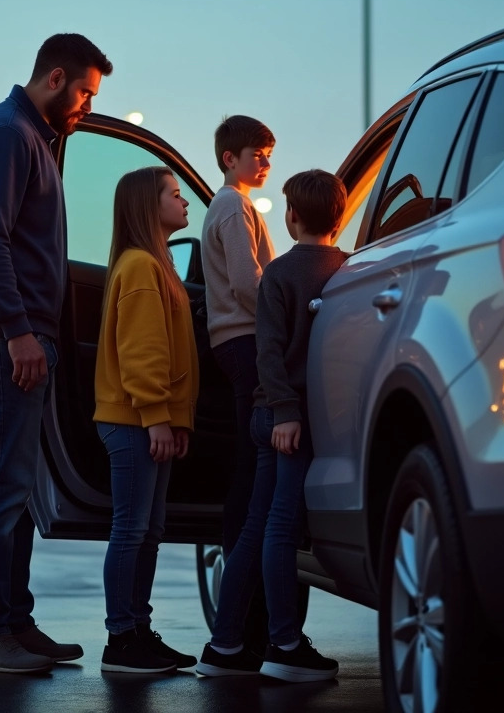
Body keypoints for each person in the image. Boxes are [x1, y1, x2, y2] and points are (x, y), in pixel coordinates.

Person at [0, 33, 112, 674]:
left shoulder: (32, 138)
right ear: (54, 77)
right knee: (0, 486)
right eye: (84, 93)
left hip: (15, 334)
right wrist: (17, 330)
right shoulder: (9, 136)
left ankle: (13, 621)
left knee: (16, 489)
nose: (87, 108)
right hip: (0, 337)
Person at [196, 169, 348, 682]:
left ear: (290, 217)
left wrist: (277, 410)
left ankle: (223, 646)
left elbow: (267, 352)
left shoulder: (280, 273)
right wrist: (289, 413)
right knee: (281, 526)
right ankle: (283, 643)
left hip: (268, 415)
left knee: (257, 528)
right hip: (294, 421)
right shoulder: (348, 272)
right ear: (340, 217)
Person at [93, 167, 200, 673]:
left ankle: (138, 628)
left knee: (149, 529)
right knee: (132, 529)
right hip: (133, 420)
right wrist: (157, 416)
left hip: (148, 420)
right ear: (147, 206)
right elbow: (142, 351)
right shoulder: (139, 266)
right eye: (175, 196)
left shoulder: (158, 266)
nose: (185, 205)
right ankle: (121, 640)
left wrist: (175, 420)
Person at [200, 114, 276, 651]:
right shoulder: (231, 204)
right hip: (244, 340)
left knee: (248, 474)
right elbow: (249, 282)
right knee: (251, 476)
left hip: (238, 340)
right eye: (257, 154)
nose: (266, 163)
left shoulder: (236, 204)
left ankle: (246, 613)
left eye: (269, 154)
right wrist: (290, 314)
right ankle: (244, 616)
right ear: (230, 158)